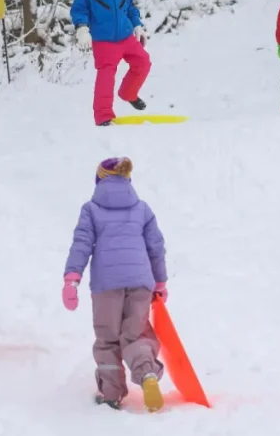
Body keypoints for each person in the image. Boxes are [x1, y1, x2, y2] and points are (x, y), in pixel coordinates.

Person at [62, 157, 167, 413]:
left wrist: (72, 279)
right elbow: (156, 247)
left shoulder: (91, 210)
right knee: (135, 334)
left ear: (99, 181)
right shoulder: (142, 209)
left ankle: (111, 394)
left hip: (106, 286)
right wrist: (160, 282)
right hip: (140, 282)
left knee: (108, 339)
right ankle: (147, 374)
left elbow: (81, 244)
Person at [70, 0, 151, 126]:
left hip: (125, 35)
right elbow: (80, 8)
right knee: (106, 77)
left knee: (143, 62)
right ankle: (103, 116)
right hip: (104, 39)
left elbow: (130, 6)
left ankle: (128, 93)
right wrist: (82, 27)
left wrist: (137, 25)